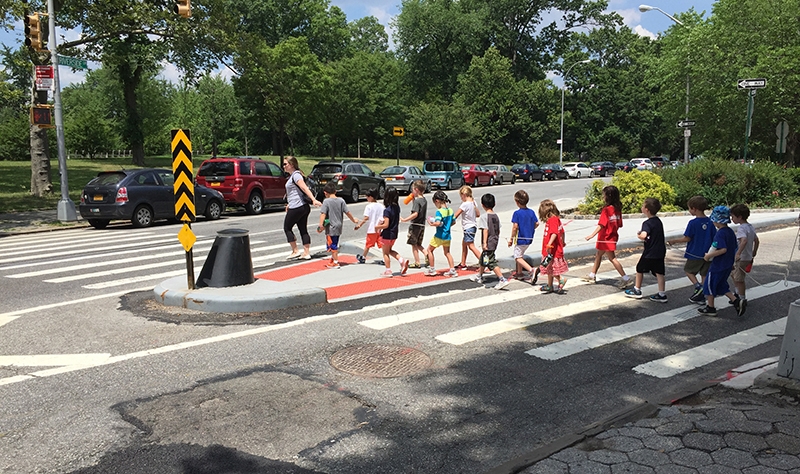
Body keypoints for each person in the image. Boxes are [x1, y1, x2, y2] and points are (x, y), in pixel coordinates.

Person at [667, 195, 716, 304]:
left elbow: (687, 238)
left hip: (695, 253)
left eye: (689, 208)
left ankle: (697, 286)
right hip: (708, 253)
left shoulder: (693, 223)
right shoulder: (711, 222)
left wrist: (674, 241)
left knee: (688, 271)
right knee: (704, 274)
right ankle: (702, 295)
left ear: (694, 208)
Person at [583, 185, 633, 289]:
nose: (603, 197)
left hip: (604, 238)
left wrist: (591, 235)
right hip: (613, 236)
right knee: (598, 255)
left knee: (612, 258)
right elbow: (619, 224)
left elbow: (601, 224)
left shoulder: (606, 210)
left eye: (604, 195)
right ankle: (592, 275)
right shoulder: (617, 209)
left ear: (608, 196)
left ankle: (626, 278)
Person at [698, 206, 741, 315]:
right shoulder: (730, 232)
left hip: (718, 265)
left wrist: (709, 256)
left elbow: (723, 249)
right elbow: (733, 248)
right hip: (727, 263)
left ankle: (710, 307)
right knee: (721, 284)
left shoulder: (720, 233)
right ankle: (736, 301)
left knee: (709, 285)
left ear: (717, 221)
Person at [624, 198, 667, 302]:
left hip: (650, 252)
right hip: (660, 251)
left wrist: (639, 234)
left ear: (647, 210)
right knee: (659, 272)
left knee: (639, 269)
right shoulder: (658, 221)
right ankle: (662, 294)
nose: (641, 207)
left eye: (643, 206)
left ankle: (637, 289)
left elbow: (644, 235)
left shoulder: (647, 223)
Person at [283, 156, 321, 260]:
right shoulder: (295, 175)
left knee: (287, 227)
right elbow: (296, 192)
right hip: (302, 206)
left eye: (285, 164)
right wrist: (289, 204)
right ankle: (306, 253)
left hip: (297, 206)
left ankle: (295, 251)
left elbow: (304, 188)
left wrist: (313, 199)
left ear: (291, 165)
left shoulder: (296, 176)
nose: (284, 166)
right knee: (303, 229)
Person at [470, 193, 510, 290]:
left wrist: (484, 243)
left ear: (482, 205)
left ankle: (502, 279)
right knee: (484, 258)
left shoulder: (484, 217)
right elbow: (498, 229)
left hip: (488, 242)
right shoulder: (495, 216)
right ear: (494, 204)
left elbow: (485, 230)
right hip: (494, 240)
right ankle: (479, 275)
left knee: (490, 261)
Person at [317, 182, 358, 269]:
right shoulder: (341, 200)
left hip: (331, 226)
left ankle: (335, 262)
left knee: (333, 245)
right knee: (334, 242)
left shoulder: (326, 201)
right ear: (335, 191)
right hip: (339, 225)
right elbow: (347, 212)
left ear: (325, 192)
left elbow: (323, 214)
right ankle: (333, 259)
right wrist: (353, 220)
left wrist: (320, 225)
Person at [730, 203, 758, 316]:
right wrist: (754, 252)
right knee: (734, 274)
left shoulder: (741, 228)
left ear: (739, 217)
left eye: (733, 216)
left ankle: (741, 299)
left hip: (742, 257)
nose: (732, 218)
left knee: (739, 278)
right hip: (748, 256)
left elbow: (744, 241)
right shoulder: (750, 227)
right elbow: (757, 240)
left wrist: (738, 253)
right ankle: (738, 293)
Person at [375, 187, 409, 277]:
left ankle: (388, 270)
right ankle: (401, 260)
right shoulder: (397, 208)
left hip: (386, 233)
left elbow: (386, 225)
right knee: (390, 250)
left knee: (385, 253)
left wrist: (377, 226)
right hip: (394, 233)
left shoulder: (387, 210)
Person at [537, 199, 568, 294]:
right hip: (551, 249)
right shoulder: (556, 219)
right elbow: (562, 232)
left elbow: (554, 233)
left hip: (551, 250)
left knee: (550, 268)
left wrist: (549, 244)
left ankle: (560, 279)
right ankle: (550, 285)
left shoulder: (553, 220)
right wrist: (562, 241)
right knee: (549, 268)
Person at [508, 189, 539, 282]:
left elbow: (515, 227)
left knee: (517, 257)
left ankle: (531, 270)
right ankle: (519, 272)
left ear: (517, 202)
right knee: (520, 254)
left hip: (520, 238)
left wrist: (511, 239)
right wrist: (530, 228)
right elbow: (537, 223)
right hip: (529, 238)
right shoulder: (531, 212)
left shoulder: (517, 213)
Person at [425, 190, 457, 277]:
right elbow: (454, 222)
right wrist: (447, 225)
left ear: (437, 201)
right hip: (447, 235)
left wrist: (431, 222)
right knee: (447, 253)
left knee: (429, 250)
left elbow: (438, 223)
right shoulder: (450, 210)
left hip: (439, 235)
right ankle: (452, 269)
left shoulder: (439, 211)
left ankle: (432, 269)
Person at [399, 180, 429, 269]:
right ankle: (426, 254)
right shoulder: (424, 200)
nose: (411, 191)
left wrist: (405, 219)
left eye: (412, 189)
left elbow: (415, 213)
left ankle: (417, 262)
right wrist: (413, 200)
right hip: (421, 225)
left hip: (415, 225)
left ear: (416, 189)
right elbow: (419, 209)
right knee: (418, 243)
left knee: (414, 244)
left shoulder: (417, 201)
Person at [453, 185, 481, 269]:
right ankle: (463, 262)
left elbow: (455, 215)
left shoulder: (464, 204)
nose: (461, 198)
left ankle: (483, 261)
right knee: (464, 244)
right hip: (473, 226)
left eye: (461, 196)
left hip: (468, 227)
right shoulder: (473, 203)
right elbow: (478, 214)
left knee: (471, 246)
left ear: (464, 195)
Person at [354, 188, 384, 264]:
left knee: (368, 244)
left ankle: (363, 257)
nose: (366, 198)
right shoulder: (382, 206)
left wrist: (359, 225)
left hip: (372, 229)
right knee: (382, 244)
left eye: (367, 196)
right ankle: (385, 258)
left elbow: (366, 218)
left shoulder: (369, 206)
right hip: (380, 228)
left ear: (371, 197)